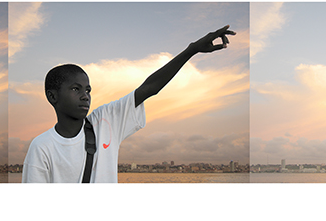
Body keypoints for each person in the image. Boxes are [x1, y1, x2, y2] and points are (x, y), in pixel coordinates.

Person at [22, 25, 236, 183]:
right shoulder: (41, 147)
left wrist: (192, 50)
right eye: (76, 89)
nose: (85, 96)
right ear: (52, 97)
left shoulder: (106, 121)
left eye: (88, 90)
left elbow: (149, 87)